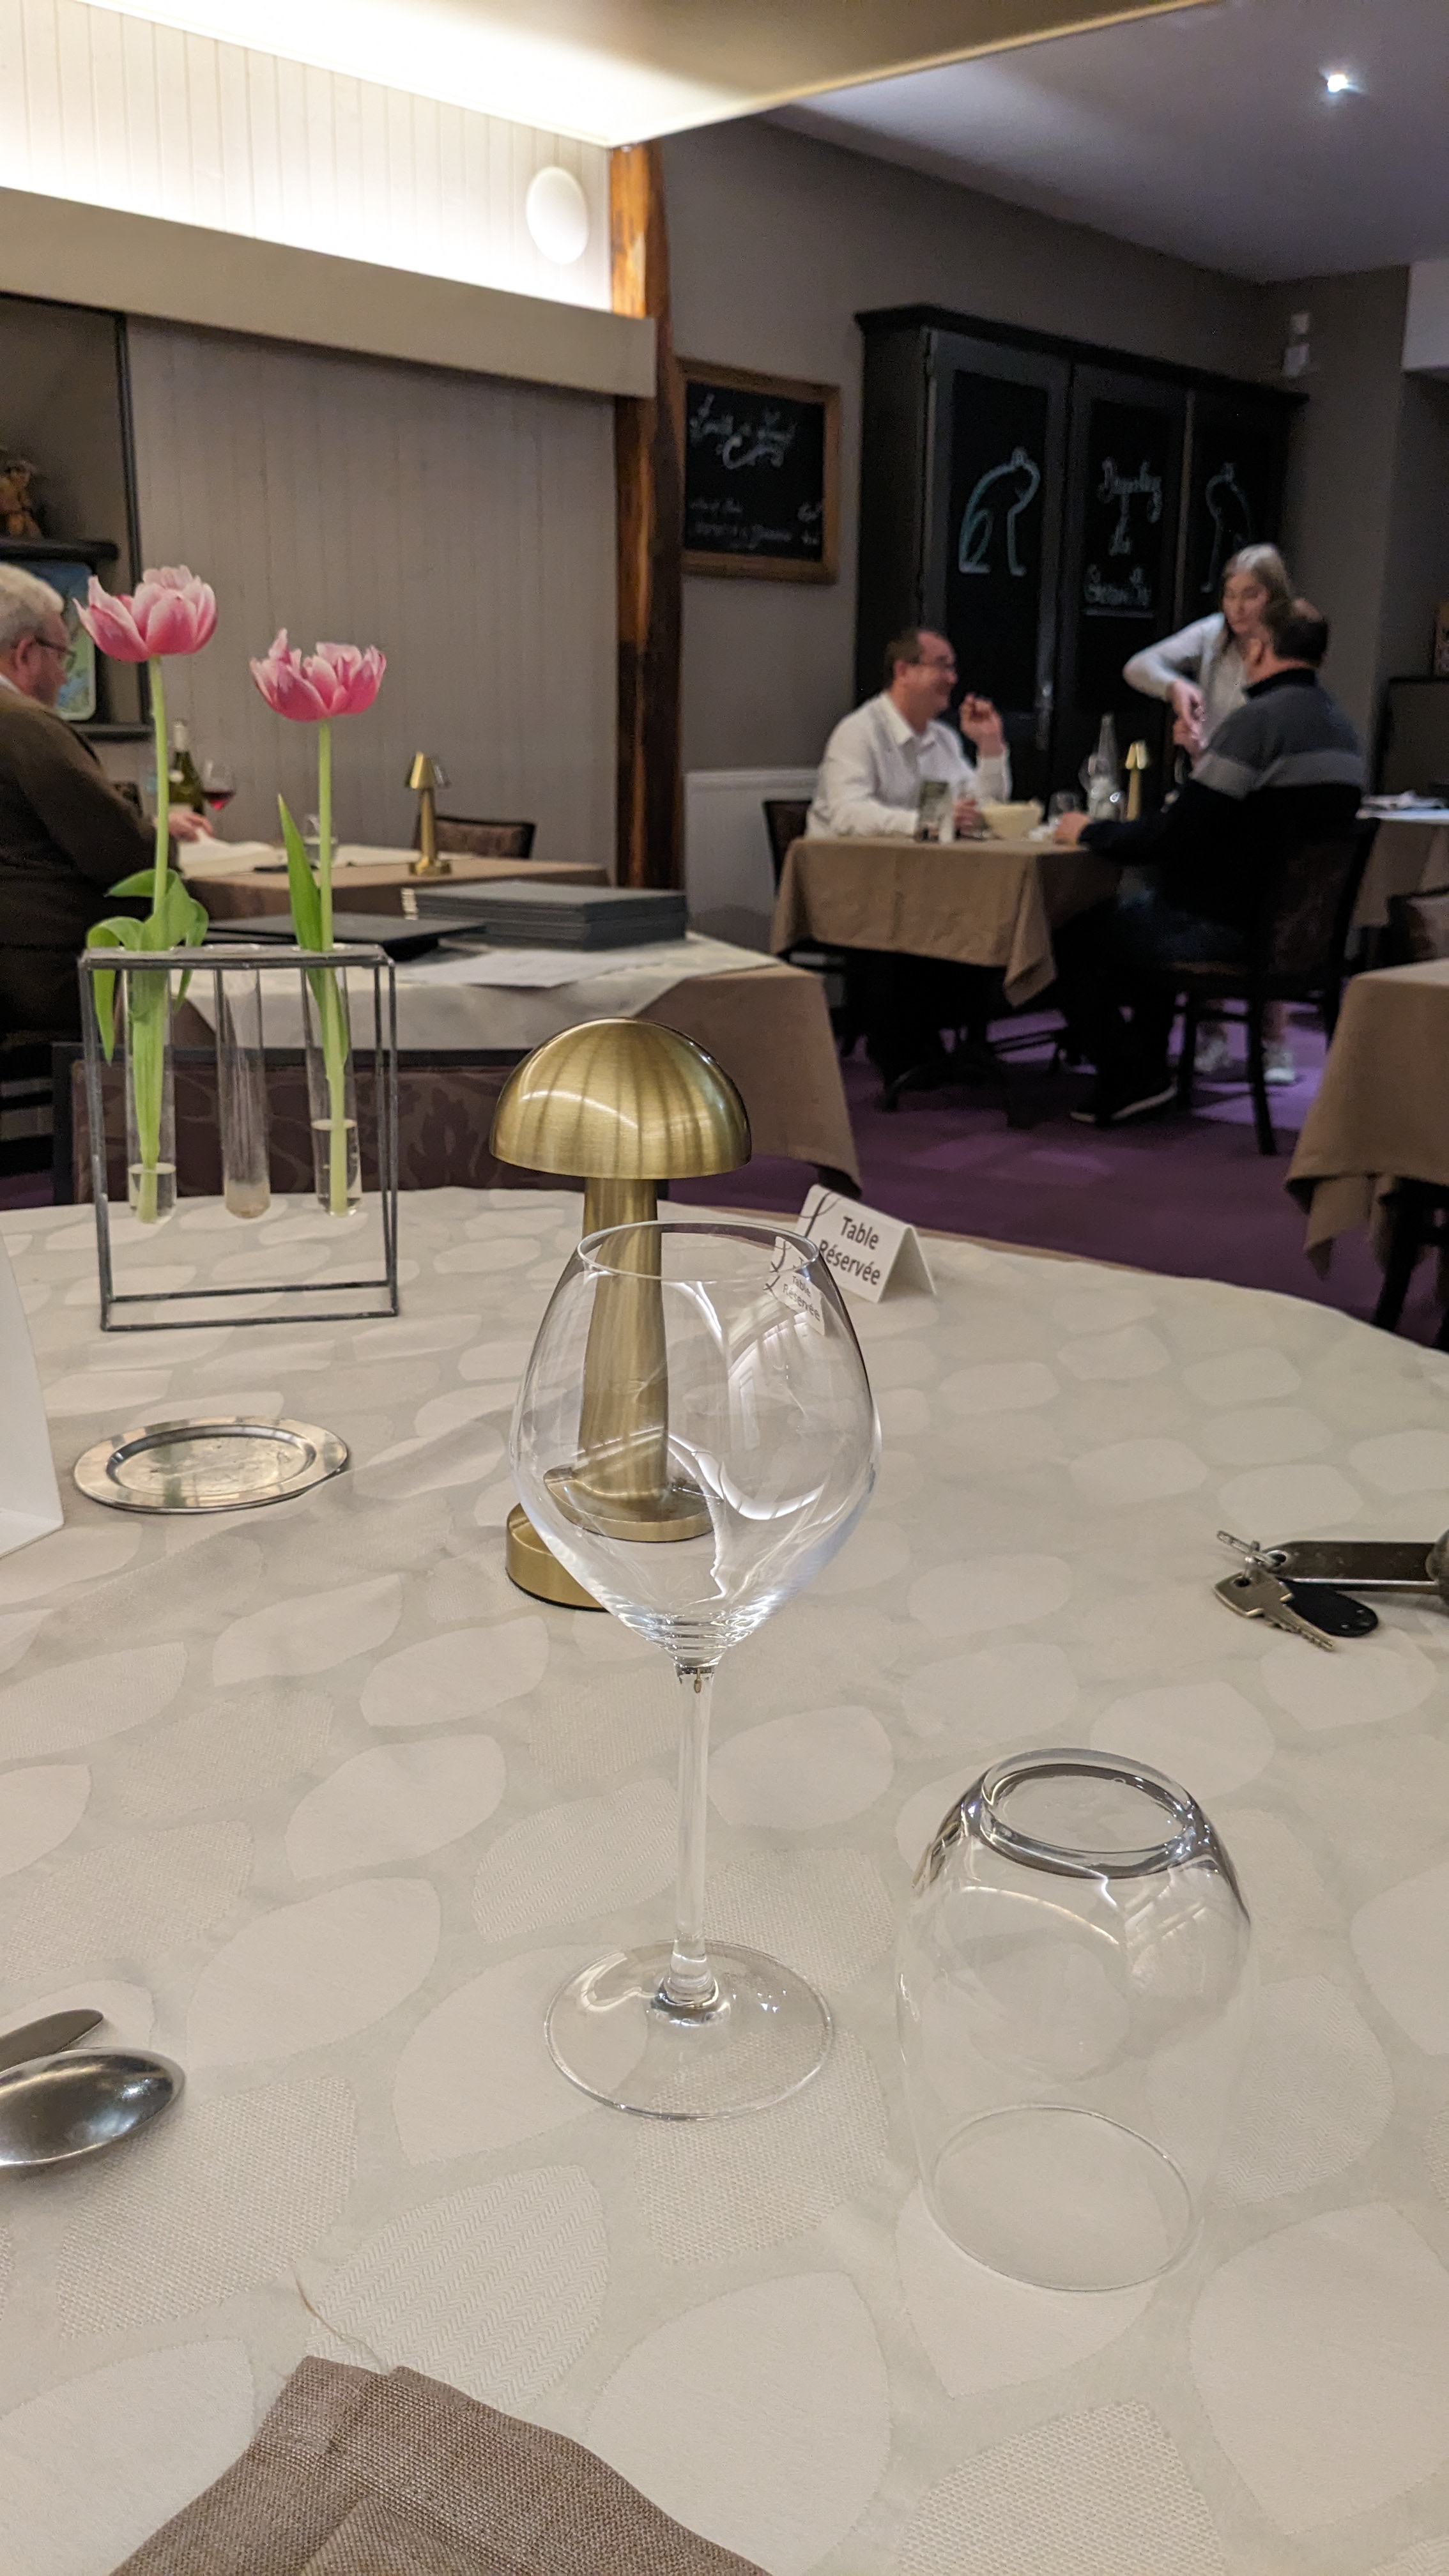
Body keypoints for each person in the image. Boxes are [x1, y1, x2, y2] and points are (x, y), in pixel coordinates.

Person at [1052, 596, 1364, 1128]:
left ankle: (1131, 1072)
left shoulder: (1258, 721)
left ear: (1258, 648)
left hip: (1225, 928)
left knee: (1068, 936)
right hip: (1295, 936)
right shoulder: (1344, 729)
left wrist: (1089, 831)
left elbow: (1178, 830)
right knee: (1141, 913)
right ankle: (1146, 1068)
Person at [0, 565, 211, 1041]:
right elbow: (128, 857)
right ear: (25, 653)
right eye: (62, 657)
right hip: (55, 977)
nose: (64, 676)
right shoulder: (25, 725)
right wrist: (153, 837)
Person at [1123, 542, 1297, 1082]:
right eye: (1230, 595)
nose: (1238, 607)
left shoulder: (1285, 647)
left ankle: (1274, 1042)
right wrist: (1177, 686)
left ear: (1273, 597)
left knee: (1265, 906)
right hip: (1213, 787)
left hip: (1263, 796)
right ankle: (1212, 1035)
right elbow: (1138, 666)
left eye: (1251, 595)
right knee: (1195, 895)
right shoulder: (1211, 637)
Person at [808, 627, 1010, 838]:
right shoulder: (858, 732)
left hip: (918, 857)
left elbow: (985, 810)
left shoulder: (945, 739)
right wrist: (926, 822)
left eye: (952, 668)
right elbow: (848, 815)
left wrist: (990, 744)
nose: (952, 679)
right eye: (942, 666)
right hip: (848, 858)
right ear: (903, 671)